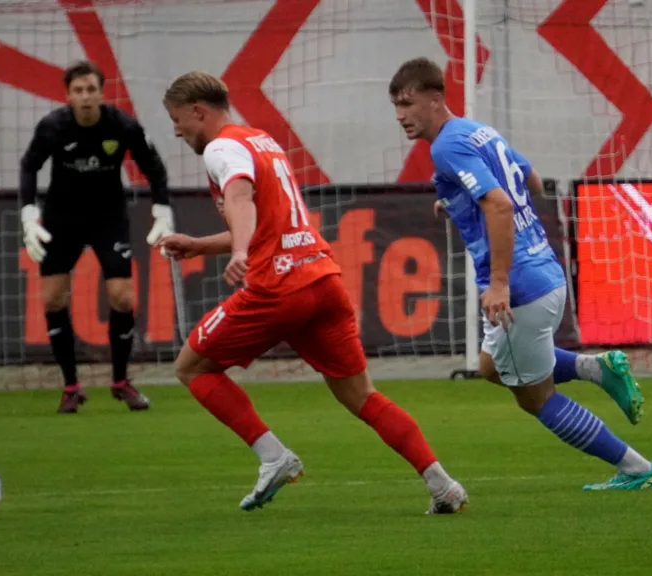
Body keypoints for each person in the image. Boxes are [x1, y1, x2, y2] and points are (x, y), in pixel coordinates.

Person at [156, 70, 467, 513]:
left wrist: (240, 251)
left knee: (191, 367)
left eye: (176, 119)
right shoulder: (261, 140)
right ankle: (443, 485)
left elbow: (241, 201)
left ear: (197, 111)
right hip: (322, 280)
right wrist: (200, 246)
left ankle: (273, 456)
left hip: (278, 287)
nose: (176, 130)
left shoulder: (221, 148)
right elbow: (269, 223)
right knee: (362, 396)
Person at [388, 57, 652, 491]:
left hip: (519, 289)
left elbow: (499, 204)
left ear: (436, 98)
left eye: (407, 103)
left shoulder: (445, 148)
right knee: (491, 366)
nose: (400, 115)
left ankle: (636, 468)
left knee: (536, 398)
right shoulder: (477, 131)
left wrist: (499, 283)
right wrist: (459, 201)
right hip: (545, 272)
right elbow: (531, 180)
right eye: (396, 106)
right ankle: (597, 369)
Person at [19, 60, 173, 414]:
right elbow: (29, 165)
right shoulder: (53, 127)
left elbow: (153, 166)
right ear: (68, 95)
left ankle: (120, 381)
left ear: (102, 93)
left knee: (122, 297)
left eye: (91, 90)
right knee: (52, 299)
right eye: (78, 90)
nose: (85, 97)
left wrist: (163, 211)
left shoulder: (122, 125)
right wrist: (28, 214)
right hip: (61, 218)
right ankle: (71, 387)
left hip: (108, 218)